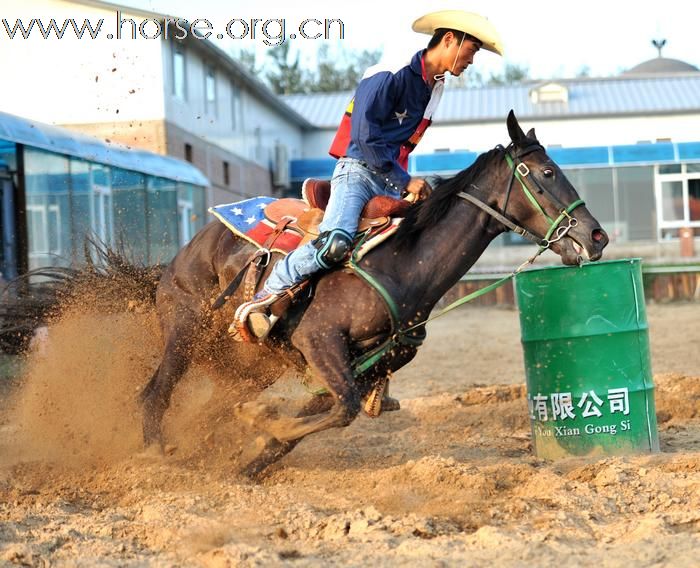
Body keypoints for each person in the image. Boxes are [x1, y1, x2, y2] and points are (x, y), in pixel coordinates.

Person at [232, 10, 503, 340]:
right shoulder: (390, 72)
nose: (472, 60)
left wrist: (409, 182)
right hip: (357, 172)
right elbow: (363, 135)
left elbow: (402, 144)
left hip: (389, 178)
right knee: (334, 243)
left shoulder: (436, 89)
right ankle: (262, 300)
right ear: (449, 39)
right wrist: (405, 181)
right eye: (472, 50)